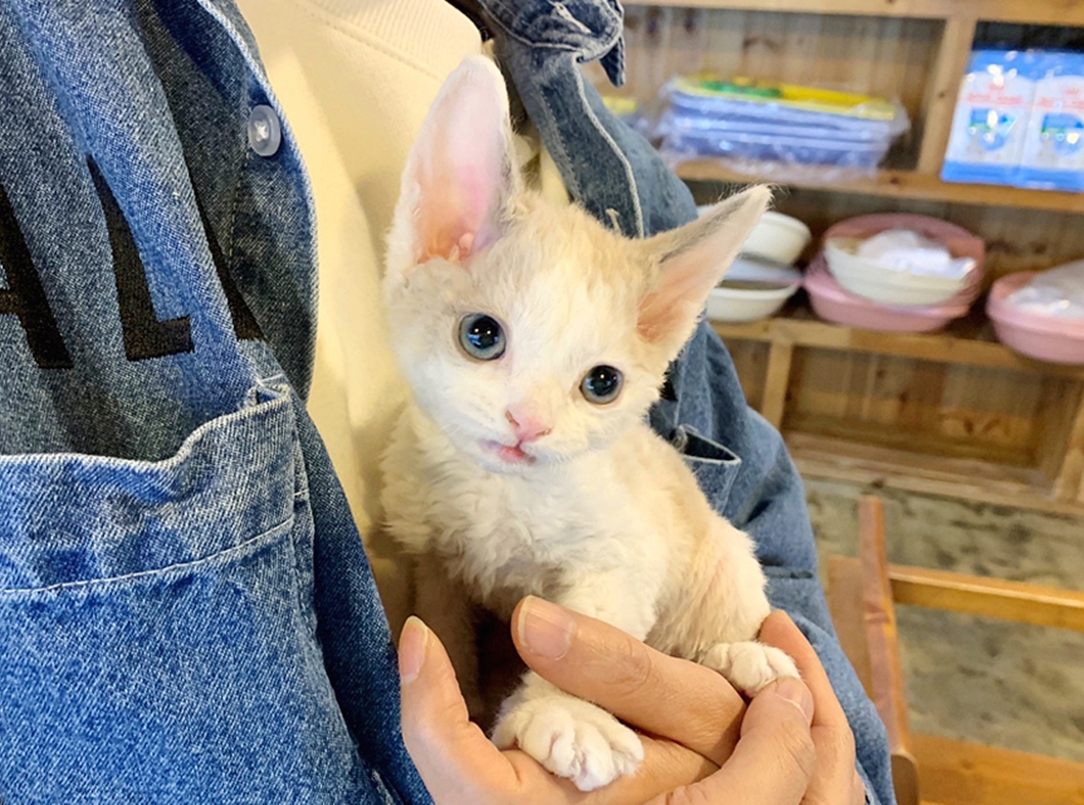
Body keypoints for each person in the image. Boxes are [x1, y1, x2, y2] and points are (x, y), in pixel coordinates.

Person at [0, 0, 890, 803]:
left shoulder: (586, 115)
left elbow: (759, 532)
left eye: (599, 383)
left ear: (662, 326)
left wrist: (827, 771)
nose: (530, 420)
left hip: (701, 618)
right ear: (432, 237)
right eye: (485, 337)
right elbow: (443, 577)